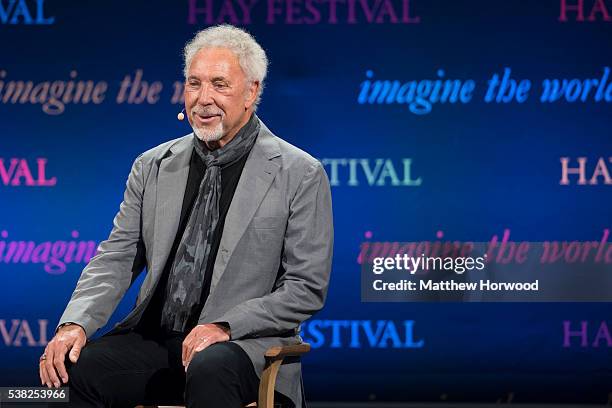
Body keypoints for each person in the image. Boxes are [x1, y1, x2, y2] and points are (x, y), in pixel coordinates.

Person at [38, 24, 333, 408]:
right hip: (160, 340)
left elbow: (305, 287)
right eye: (194, 83)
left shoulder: (299, 172)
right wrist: (75, 323)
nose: (203, 99)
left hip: (243, 347)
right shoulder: (153, 165)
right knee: (76, 368)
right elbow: (118, 255)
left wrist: (225, 326)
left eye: (219, 85)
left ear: (252, 92)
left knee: (211, 368)